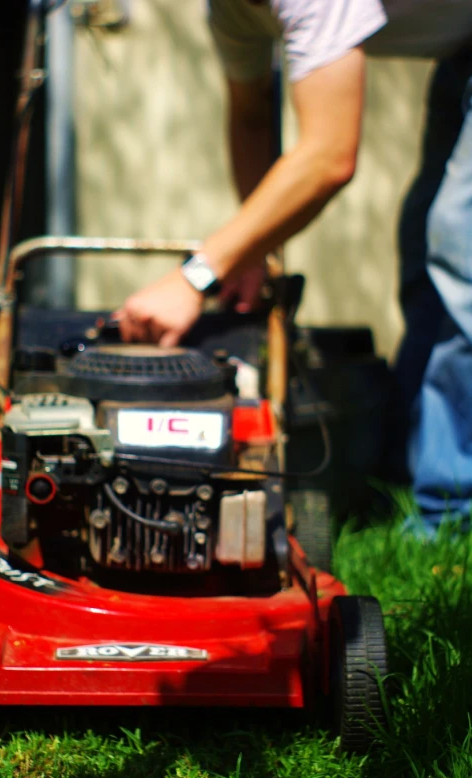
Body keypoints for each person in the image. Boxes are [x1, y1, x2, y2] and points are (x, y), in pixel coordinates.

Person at [115, 0, 472, 536]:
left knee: (459, 244)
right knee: (424, 245)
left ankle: (451, 516)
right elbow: (253, 114)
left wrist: (195, 276)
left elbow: (329, 156)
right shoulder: (231, 12)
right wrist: (253, 252)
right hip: (460, 51)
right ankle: (401, 479)